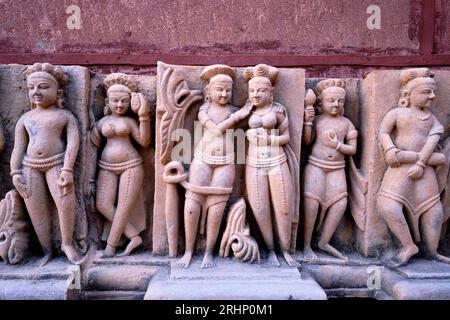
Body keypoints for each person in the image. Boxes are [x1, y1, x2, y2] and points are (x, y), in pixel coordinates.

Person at [176, 64, 251, 268]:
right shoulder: (205, 109)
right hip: (203, 160)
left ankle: (209, 252)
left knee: (216, 210)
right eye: (219, 89)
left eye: (228, 90)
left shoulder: (236, 111)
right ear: (208, 90)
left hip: (226, 162)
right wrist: (239, 115)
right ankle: (189, 251)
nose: (224, 94)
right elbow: (216, 129)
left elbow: (255, 122)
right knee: (193, 204)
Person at [378, 68, 450, 266]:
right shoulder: (397, 113)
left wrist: (419, 162)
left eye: (433, 92)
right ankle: (408, 245)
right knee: (388, 207)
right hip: (399, 170)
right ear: (409, 94)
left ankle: (432, 251)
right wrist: (390, 149)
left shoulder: (432, 120)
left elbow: (430, 143)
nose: (433, 96)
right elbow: (383, 133)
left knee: (434, 213)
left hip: (423, 172)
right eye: (426, 92)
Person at [10, 63, 81, 265]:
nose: (36, 92)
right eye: (31, 88)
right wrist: (15, 173)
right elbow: (18, 147)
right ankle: (46, 249)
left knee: (64, 202)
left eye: (42, 87)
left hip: (57, 164)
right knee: (36, 209)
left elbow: (72, 144)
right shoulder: (25, 119)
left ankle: (67, 243)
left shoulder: (64, 116)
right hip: (29, 166)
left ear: (57, 92)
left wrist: (67, 169)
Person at [243, 64, 299, 267]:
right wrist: (246, 134)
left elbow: (286, 137)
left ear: (271, 91)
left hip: (277, 161)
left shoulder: (278, 110)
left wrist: (269, 139)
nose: (255, 94)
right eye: (252, 91)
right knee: (260, 208)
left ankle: (285, 249)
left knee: (283, 207)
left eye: (261, 90)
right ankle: (271, 250)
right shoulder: (247, 110)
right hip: (254, 163)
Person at [91, 73, 150, 258]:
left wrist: (143, 116)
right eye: (115, 101)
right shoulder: (102, 122)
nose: (119, 105)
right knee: (102, 204)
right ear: (107, 101)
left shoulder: (129, 122)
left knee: (124, 206)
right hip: (106, 166)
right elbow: (90, 147)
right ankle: (133, 236)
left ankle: (111, 246)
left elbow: (144, 142)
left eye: (124, 101)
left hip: (131, 166)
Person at [302, 79, 358, 260]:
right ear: (320, 102)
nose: (336, 104)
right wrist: (308, 122)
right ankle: (306, 244)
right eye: (331, 100)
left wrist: (337, 145)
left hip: (336, 169)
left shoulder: (346, 124)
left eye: (340, 101)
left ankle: (324, 241)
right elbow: (307, 142)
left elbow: (353, 149)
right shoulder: (318, 120)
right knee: (311, 204)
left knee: (339, 204)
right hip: (316, 166)